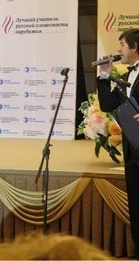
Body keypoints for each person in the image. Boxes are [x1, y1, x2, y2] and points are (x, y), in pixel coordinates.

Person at [97, 28, 139, 255]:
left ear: (135, 47)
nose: (118, 50)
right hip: (133, 150)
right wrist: (104, 76)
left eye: (122, 45)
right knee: (136, 206)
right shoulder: (126, 76)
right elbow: (108, 105)